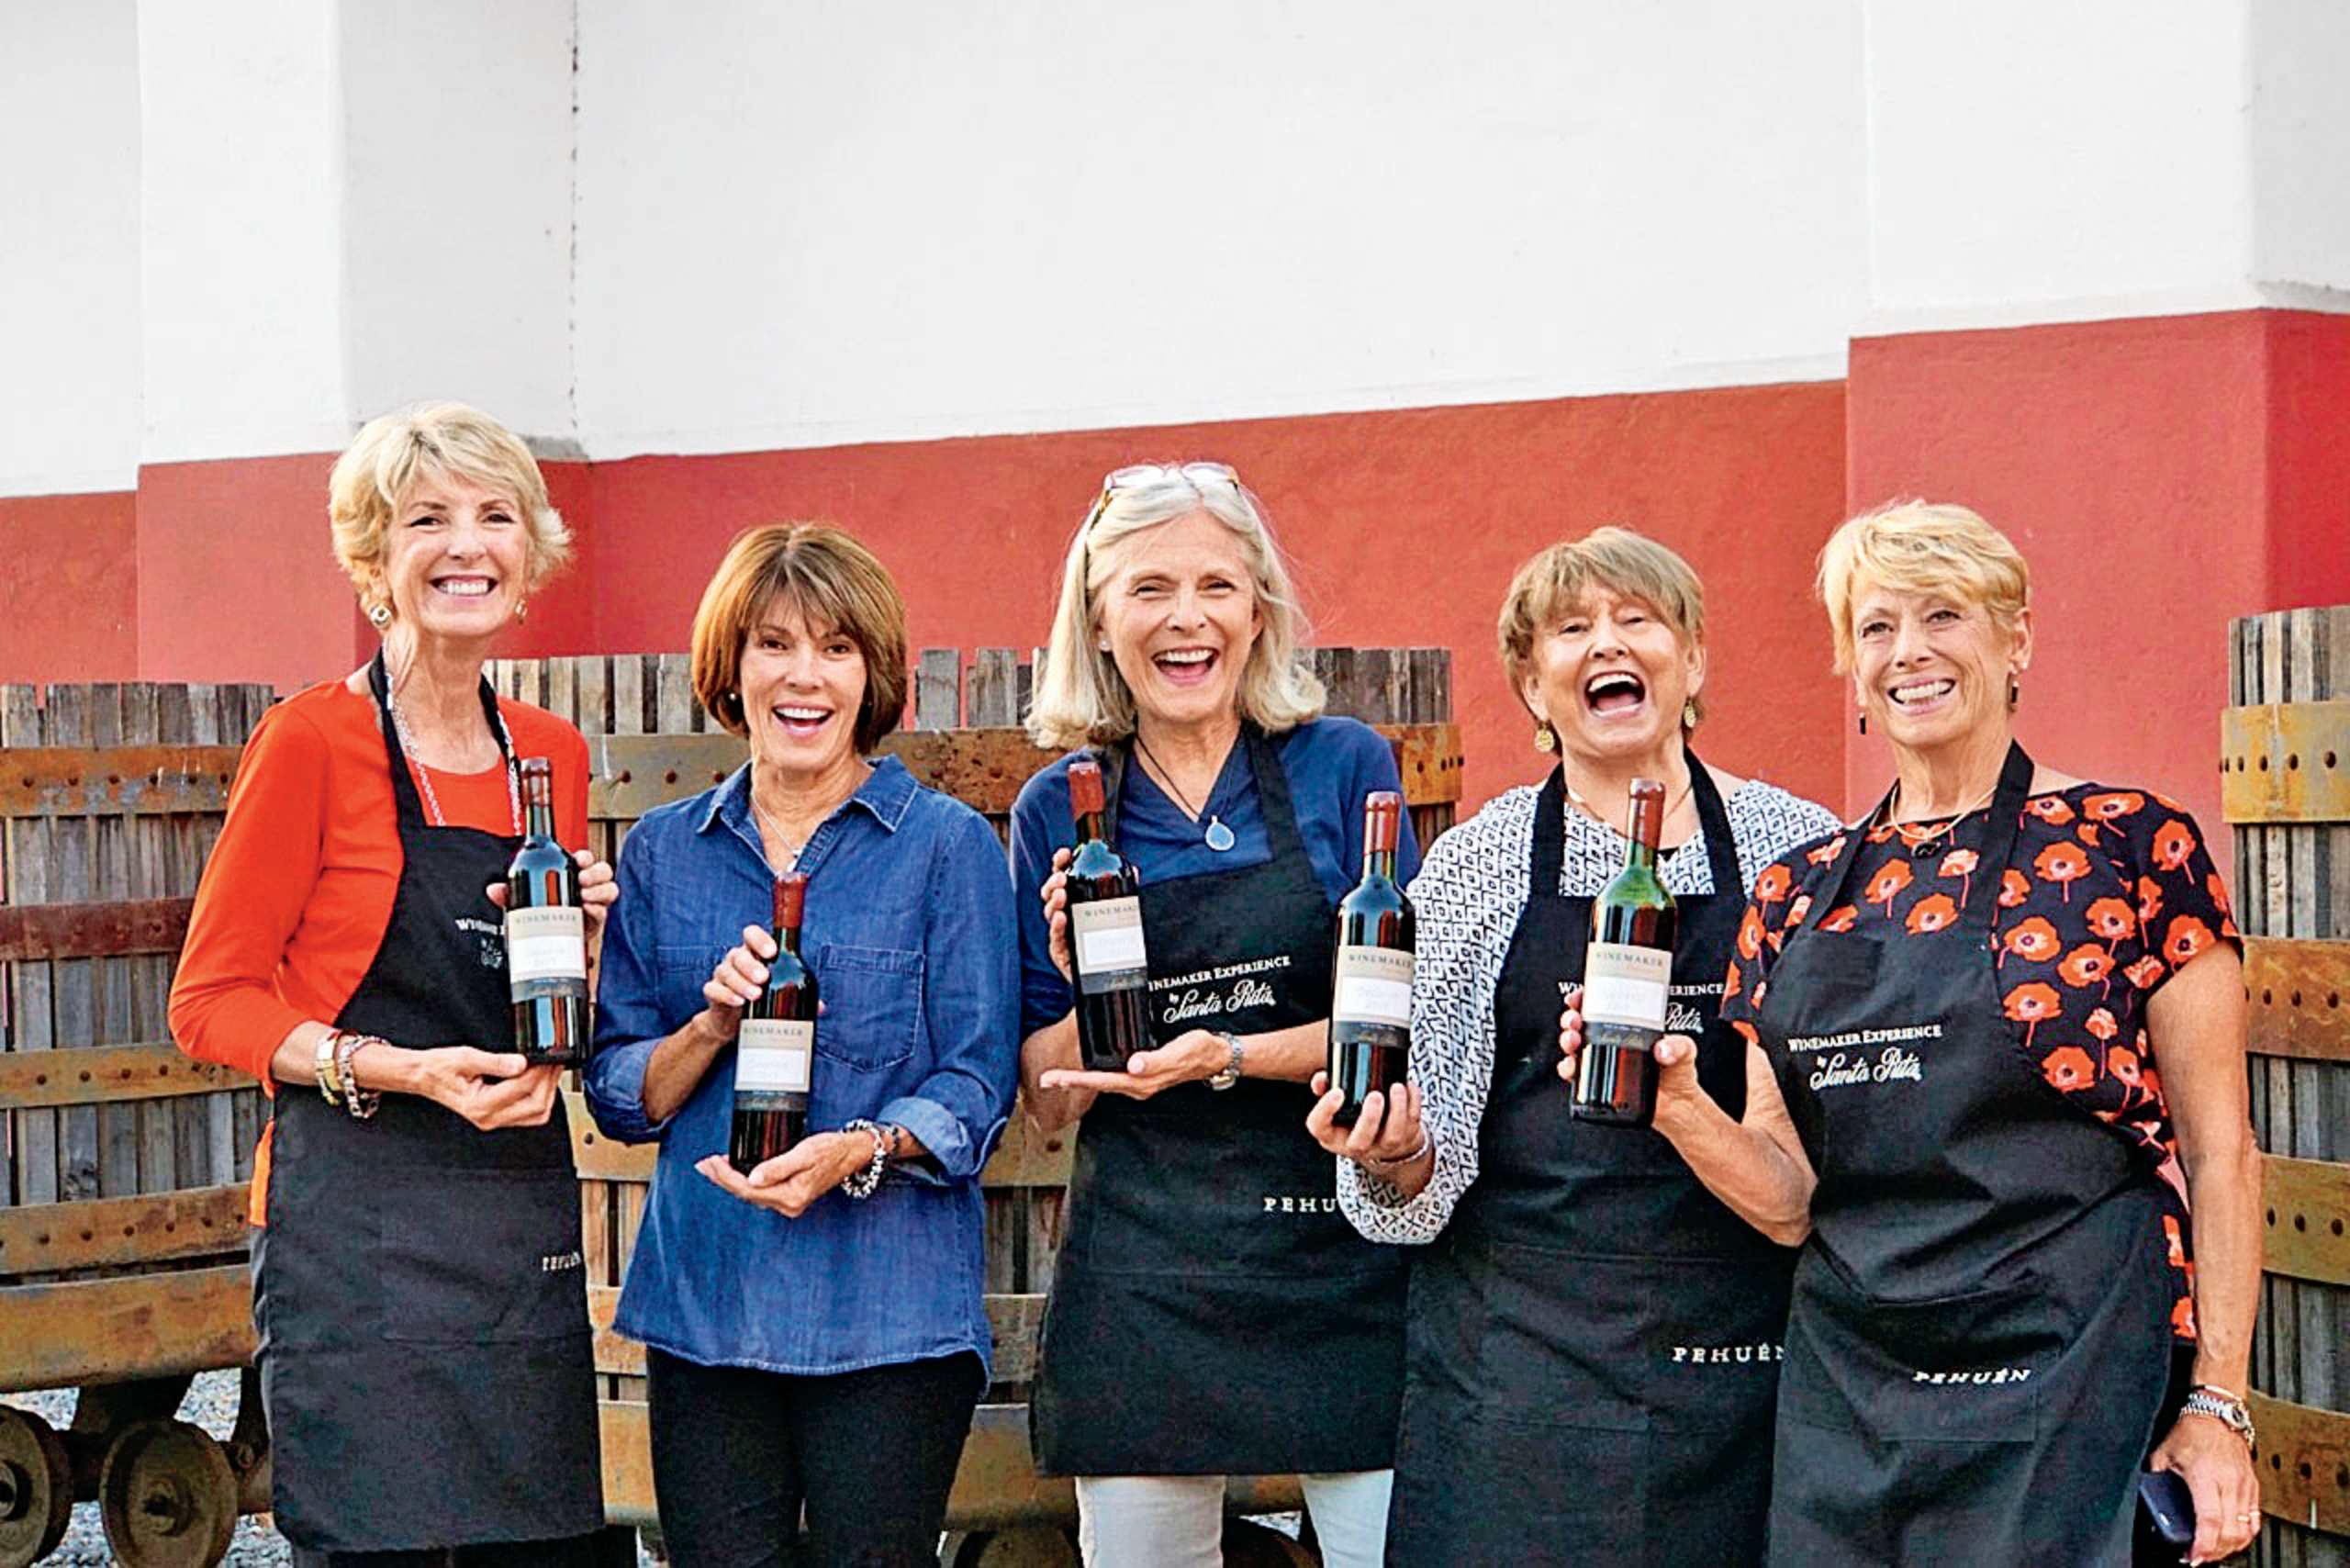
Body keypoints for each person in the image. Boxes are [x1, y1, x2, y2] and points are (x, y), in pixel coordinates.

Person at [1564, 500, 2264, 1566]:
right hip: (1854, 1383)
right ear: (1851, 666)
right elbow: (1788, 1200)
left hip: (2068, 1363)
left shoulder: (2130, 845)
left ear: (2016, 639)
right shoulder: (1794, 893)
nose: (1909, 652)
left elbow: (2222, 1154)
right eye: (1877, 626)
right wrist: (1676, 1106)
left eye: (1944, 615)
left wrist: (2218, 1403)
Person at [1310, 528, 1841, 1565]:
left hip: (1740, 1370)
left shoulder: (1798, 851)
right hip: (1518, 1383)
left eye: (1638, 619)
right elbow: (1421, 1173)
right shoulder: (1477, 866)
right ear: (1532, 686)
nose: (1608, 642)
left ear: (1693, 662)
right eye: (1570, 628)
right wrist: (1392, 1154)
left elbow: (1831, 1147)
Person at [169, 403, 614, 1564]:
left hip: (512, 1217)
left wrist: (581, 946)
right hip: (353, 1232)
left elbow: (532, 995)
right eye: (427, 520)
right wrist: (397, 1067)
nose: (466, 544)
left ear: (529, 556)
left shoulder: (550, 756)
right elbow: (208, 1000)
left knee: (545, 1544)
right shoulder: (310, 741)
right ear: (374, 560)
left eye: (494, 516)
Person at [583, 523, 1020, 1568]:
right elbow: (618, 1092)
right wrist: (709, 1026)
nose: (804, 676)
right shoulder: (663, 852)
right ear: (730, 668)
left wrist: (861, 1147)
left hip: (890, 1316)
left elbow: (975, 1080)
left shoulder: (946, 847)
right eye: (773, 644)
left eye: (837, 647)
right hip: (708, 1308)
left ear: (873, 675)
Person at [1010, 463, 1415, 1568]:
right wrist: (1082, 988)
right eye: (1149, 589)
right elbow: (1047, 1100)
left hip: (1339, 1258)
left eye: (1215, 586)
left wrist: (1228, 1054)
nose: (1185, 618)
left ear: (1258, 610)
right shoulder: (1061, 807)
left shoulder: (1342, 766)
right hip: (1148, 1281)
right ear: (1099, 619)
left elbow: (1399, 1029)